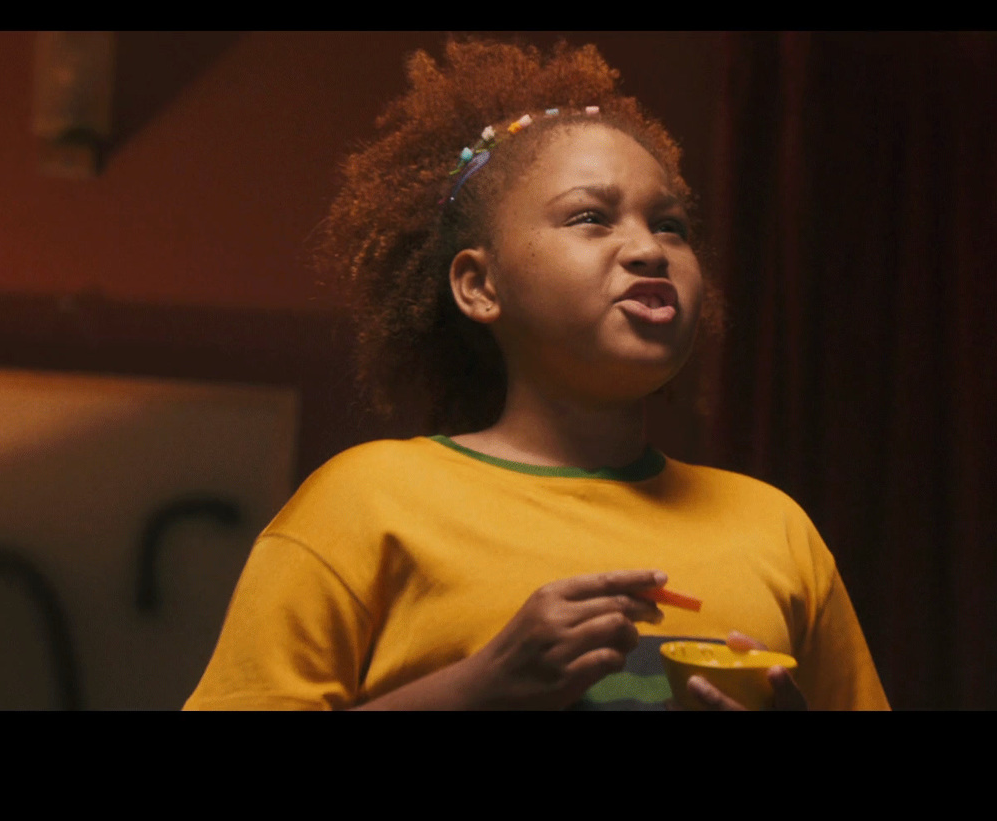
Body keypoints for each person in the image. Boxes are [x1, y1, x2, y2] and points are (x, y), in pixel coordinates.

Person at [184, 39, 888, 710]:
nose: (649, 248)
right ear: (479, 286)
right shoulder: (363, 506)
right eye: (590, 216)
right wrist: (475, 690)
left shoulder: (777, 530)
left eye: (670, 224)